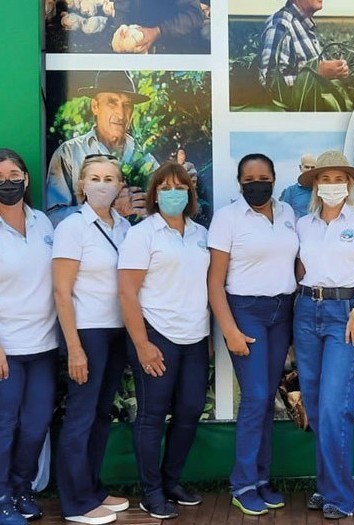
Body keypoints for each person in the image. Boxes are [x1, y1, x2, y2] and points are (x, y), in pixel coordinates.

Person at [293, 150, 354, 519]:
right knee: (315, 406)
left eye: (338, 179)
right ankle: (326, 486)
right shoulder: (304, 224)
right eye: (325, 179)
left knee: (335, 406)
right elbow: (301, 269)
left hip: (345, 314)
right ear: (315, 184)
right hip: (305, 311)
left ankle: (342, 497)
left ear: (349, 184)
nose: (332, 186)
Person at [207, 154, 298, 516]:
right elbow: (215, 282)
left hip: (282, 312)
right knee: (257, 396)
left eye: (263, 177)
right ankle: (242, 483)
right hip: (246, 311)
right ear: (239, 181)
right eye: (249, 179)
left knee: (266, 399)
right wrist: (229, 329)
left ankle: (262, 479)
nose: (256, 183)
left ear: (274, 178)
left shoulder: (288, 213)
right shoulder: (227, 218)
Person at [117, 162, 209, 520]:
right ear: (154, 194)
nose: (173, 192)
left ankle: (171, 482)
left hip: (195, 337)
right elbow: (126, 292)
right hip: (157, 335)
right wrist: (141, 344)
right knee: (153, 416)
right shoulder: (143, 235)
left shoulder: (200, 233)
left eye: (180, 186)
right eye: (165, 187)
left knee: (189, 412)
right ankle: (151, 491)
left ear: (190, 193)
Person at [53, 154, 132, 525]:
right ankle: (75, 502)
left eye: (110, 178)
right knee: (81, 416)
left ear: (120, 186)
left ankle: (93, 488)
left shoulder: (123, 226)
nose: (103, 184)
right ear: (82, 185)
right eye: (95, 178)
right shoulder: (73, 227)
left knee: (101, 413)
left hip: (118, 331)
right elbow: (61, 291)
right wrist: (75, 347)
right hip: (88, 331)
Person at [0, 149, 59, 525]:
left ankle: (21, 489)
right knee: (4, 425)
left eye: (14, 173)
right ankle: (1, 496)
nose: (8, 182)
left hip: (44, 346)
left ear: (27, 178)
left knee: (36, 423)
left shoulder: (44, 224)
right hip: (7, 348)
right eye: (0, 176)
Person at [46, 70, 159, 226]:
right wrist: (109, 210)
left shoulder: (144, 158)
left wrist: (183, 182)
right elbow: (53, 217)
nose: (120, 113)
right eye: (112, 102)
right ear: (95, 106)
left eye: (127, 105)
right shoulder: (70, 153)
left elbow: (162, 213)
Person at [258, 0, 349, 91]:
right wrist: (317, 74)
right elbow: (268, 82)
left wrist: (336, 70)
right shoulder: (281, 24)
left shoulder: (304, 25)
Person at [112, 0, 207, 54]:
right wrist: (122, 30)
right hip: (137, 39)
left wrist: (158, 31)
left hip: (174, 45)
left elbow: (194, 15)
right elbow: (122, 8)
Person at [279, 153, 316, 217]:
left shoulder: (320, 190)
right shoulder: (291, 191)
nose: (310, 170)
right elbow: (285, 214)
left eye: (312, 168)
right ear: (300, 167)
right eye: (307, 167)